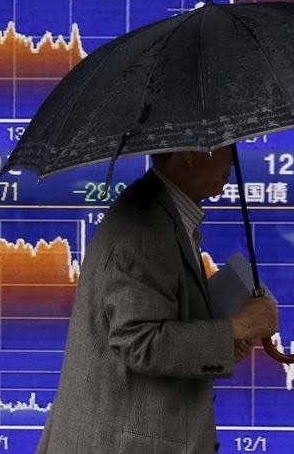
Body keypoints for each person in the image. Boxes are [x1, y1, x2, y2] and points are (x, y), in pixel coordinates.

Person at [36, 146, 279, 453]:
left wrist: (221, 343)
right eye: (227, 146)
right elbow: (140, 341)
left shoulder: (160, 214)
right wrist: (234, 327)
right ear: (190, 151)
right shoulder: (145, 229)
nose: (233, 159)